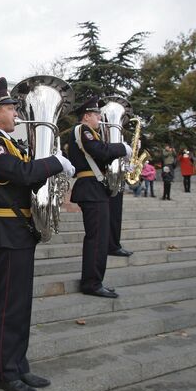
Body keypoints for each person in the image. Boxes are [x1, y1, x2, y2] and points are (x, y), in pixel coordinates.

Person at [0, 77, 75, 391]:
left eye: (15, 108)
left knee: (21, 304)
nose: (16, 113)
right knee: (8, 305)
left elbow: (26, 177)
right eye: (9, 108)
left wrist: (49, 167)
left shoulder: (6, 141)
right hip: (8, 230)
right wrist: (54, 161)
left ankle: (18, 365)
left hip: (20, 229)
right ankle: (4, 372)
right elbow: (21, 174)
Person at [68, 96, 132, 299]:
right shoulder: (83, 130)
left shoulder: (90, 131)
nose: (99, 117)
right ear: (87, 116)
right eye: (96, 114)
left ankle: (94, 280)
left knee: (99, 237)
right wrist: (123, 148)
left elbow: (100, 155)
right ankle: (92, 283)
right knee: (97, 238)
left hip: (95, 188)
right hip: (91, 189)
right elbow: (99, 151)